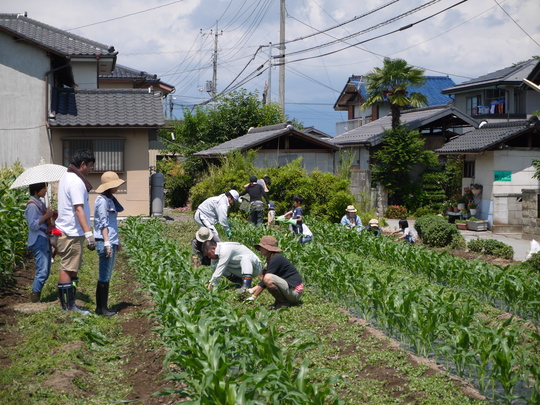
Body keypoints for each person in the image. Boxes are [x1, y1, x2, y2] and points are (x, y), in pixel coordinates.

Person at [55, 149, 95, 314]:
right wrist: (89, 233)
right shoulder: (77, 182)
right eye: (90, 166)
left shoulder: (66, 176)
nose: (91, 170)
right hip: (71, 232)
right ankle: (68, 307)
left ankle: (69, 305)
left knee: (71, 268)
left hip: (67, 230)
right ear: (83, 164)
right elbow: (79, 209)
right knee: (67, 268)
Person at [93, 171, 125, 316]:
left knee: (108, 274)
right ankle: (101, 308)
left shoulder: (110, 199)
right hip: (104, 241)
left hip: (110, 240)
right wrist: (107, 242)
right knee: (104, 275)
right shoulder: (102, 201)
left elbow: (112, 224)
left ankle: (103, 307)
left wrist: (115, 241)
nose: (117, 187)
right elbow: (103, 223)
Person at [247, 235, 304, 309]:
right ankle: (280, 301)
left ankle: (283, 302)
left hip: (294, 293)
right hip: (289, 290)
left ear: (268, 248)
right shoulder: (270, 258)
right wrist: (251, 290)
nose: (260, 249)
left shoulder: (276, 259)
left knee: (267, 278)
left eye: (262, 247)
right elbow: (263, 280)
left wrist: (254, 296)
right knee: (262, 275)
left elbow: (266, 280)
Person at [24, 182, 54, 303]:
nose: (46, 190)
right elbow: (32, 225)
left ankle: (36, 296)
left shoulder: (39, 203)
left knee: (46, 270)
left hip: (44, 237)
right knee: (43, 270)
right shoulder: (32, 206)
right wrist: (45, 215)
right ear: (37, 190)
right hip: (39, 239)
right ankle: (35, 297)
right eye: (43, 188)